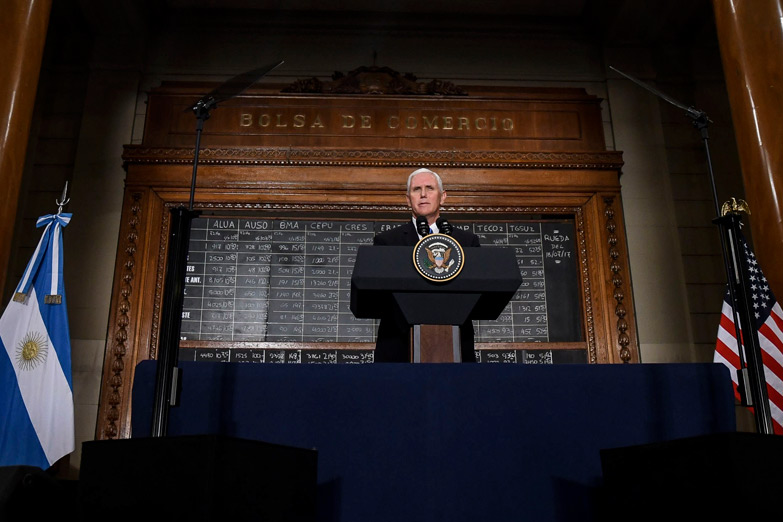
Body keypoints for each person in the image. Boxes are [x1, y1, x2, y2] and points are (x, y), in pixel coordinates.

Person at [372, 167, 481, 362]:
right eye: (416, 189)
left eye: (429, 188)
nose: (423, 194)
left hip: (456, 347)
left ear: (443, 196)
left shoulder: (466, 242)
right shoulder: (388, 242)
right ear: (408, 199)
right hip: (398, 350)